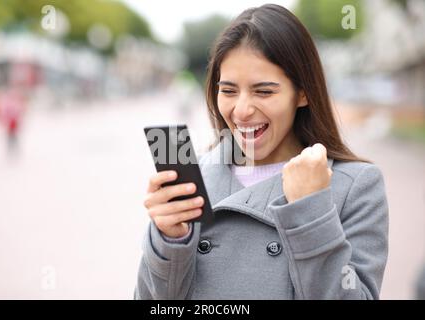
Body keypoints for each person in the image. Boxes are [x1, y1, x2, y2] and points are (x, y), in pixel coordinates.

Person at [135, 4, 389, 299]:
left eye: (264, 91)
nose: (241, 111)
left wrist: (311, 211)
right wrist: (169, 240)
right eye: (228, 91)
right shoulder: (191, 179)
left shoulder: (356, 186)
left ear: (303, 92)